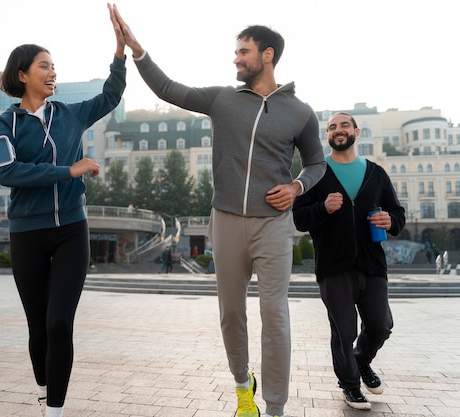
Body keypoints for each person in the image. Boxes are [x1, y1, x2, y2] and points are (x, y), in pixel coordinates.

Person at [109, 6, 326, 417]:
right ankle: (244, 385)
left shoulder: (300, 112)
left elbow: (317, 163)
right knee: (231, 313)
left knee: (274, 315)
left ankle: (275, 407)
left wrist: (298, 186)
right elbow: (168, 89)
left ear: (267, 55)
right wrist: (138, 51)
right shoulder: (222, 99)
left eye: (243, 51)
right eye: (236, 51)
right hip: (225, 219)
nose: (236, 58)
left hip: (274, 225)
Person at [0, 6, 126, 416]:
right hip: (26, 233)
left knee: (59, 323)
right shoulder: (3, 124)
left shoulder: (70, 114)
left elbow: (110, 96)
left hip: (71, 229)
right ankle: (46, 383)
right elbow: (7, 171)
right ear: (22, 75)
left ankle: (55, 408)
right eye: (44, 66)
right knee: (38, 328)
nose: (52, 73)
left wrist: (119, 54)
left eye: (54, 66)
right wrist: (70, 169)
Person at [292, 112, 405, 410]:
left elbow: (399, 216)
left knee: (381, 326)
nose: (338, 130)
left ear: (356, 131)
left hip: (373, 264)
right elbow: (299, 218)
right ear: (327, 135)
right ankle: (351, 386)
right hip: (333, 265)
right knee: (344, 331)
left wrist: (389, 220)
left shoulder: (376, 172)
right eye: (331, 127)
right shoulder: (314, 173)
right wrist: (322, 208)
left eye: (343, 125)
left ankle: (361, 360)